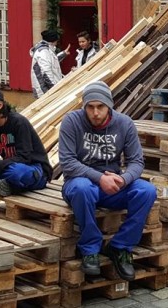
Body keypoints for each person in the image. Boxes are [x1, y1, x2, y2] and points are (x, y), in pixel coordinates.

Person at [59, 81, 156, 280]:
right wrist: (99, 178)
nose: (95, 113)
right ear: (84, 107)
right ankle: (89, 249)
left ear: (109, 106)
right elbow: (67, 162)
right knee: (82, 188)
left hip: (113, 184)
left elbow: (136, 161)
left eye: (100, 107)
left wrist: (123, 179)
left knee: (147, 191)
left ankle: (120, 247)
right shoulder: (71, 121)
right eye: (90, 107)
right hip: (80, 183)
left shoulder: (124, 123)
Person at [30, 29, 70, 98]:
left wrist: (63, 54)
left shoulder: (46, 49)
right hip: (45, 90)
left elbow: (52, 62)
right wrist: (54, 88)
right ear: (54, 40)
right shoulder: (44, 51)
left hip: (45, 89)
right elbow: (46, 72)